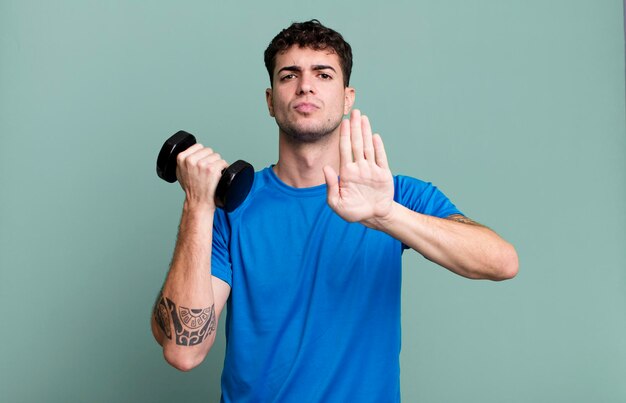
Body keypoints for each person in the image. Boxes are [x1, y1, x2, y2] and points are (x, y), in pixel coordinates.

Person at [151, 19, 518, 402]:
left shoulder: (395, 195)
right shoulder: (231, 210)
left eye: (323, 74)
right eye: (289, 75)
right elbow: (183, 350)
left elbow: (502, 262)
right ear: (270, 100)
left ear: (347, 98)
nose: (305, 85)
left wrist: (386, 214)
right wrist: (197, 203)